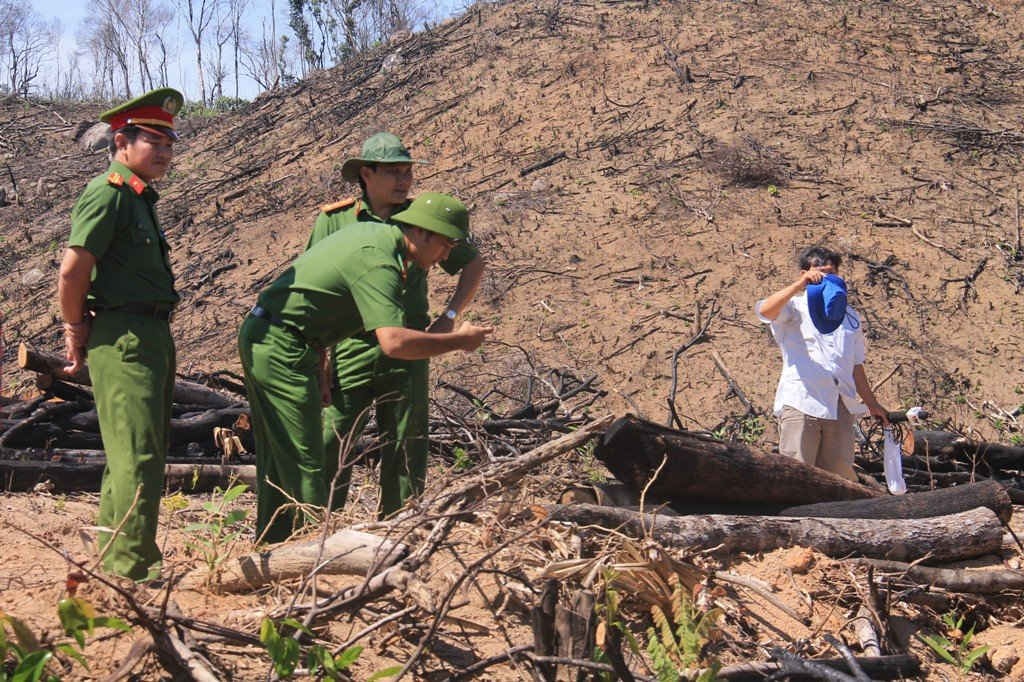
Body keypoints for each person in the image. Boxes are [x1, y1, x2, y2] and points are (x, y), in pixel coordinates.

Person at [239, 192, 492, 543]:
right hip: (280, 343)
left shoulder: (383, 242)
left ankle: (273, 545)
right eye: (446, 244)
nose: (447, 255)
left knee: (283, 458)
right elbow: (394, 342)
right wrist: (458, 340)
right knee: (305, 458)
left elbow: (319, 304)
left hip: (290, 341)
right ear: (421, 233)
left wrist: (319, 366)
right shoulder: (379, 260)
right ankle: (309, 557)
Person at [307, 132, 485, 516]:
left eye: (407, 172)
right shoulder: (335, 221)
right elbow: (315, 296)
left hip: (408, 345)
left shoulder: (423, 217)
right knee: (331, 439)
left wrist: (449, 318)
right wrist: (320, 366)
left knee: (406, 446)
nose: (403, 180)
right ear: (366, 175)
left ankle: (397, 530)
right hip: (352, 344)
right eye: (392, 173)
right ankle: (316, 528)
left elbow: (472, 262)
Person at [58, 88, 184, 581]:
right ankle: (133, 572)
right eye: (154, 141)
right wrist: (74, 327)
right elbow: (73, 272)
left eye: (170, 143)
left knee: (130, 452)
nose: (165, 152)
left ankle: (114, 562)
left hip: (149, 331)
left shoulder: (136, 198)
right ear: (121, 141)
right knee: (138, 454)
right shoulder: (108, 192)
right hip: (124, 334)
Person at [754, 245, 889, 481]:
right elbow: (765, 311)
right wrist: (801, 285)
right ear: (806, 272)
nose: (827, 277)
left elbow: (855, 366)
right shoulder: (794, 307)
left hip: (840, 404)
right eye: (821, 272)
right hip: (802, 400)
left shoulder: (850, 316)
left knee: (838, 476)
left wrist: (872, 404)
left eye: (832, 272)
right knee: (796, 473)